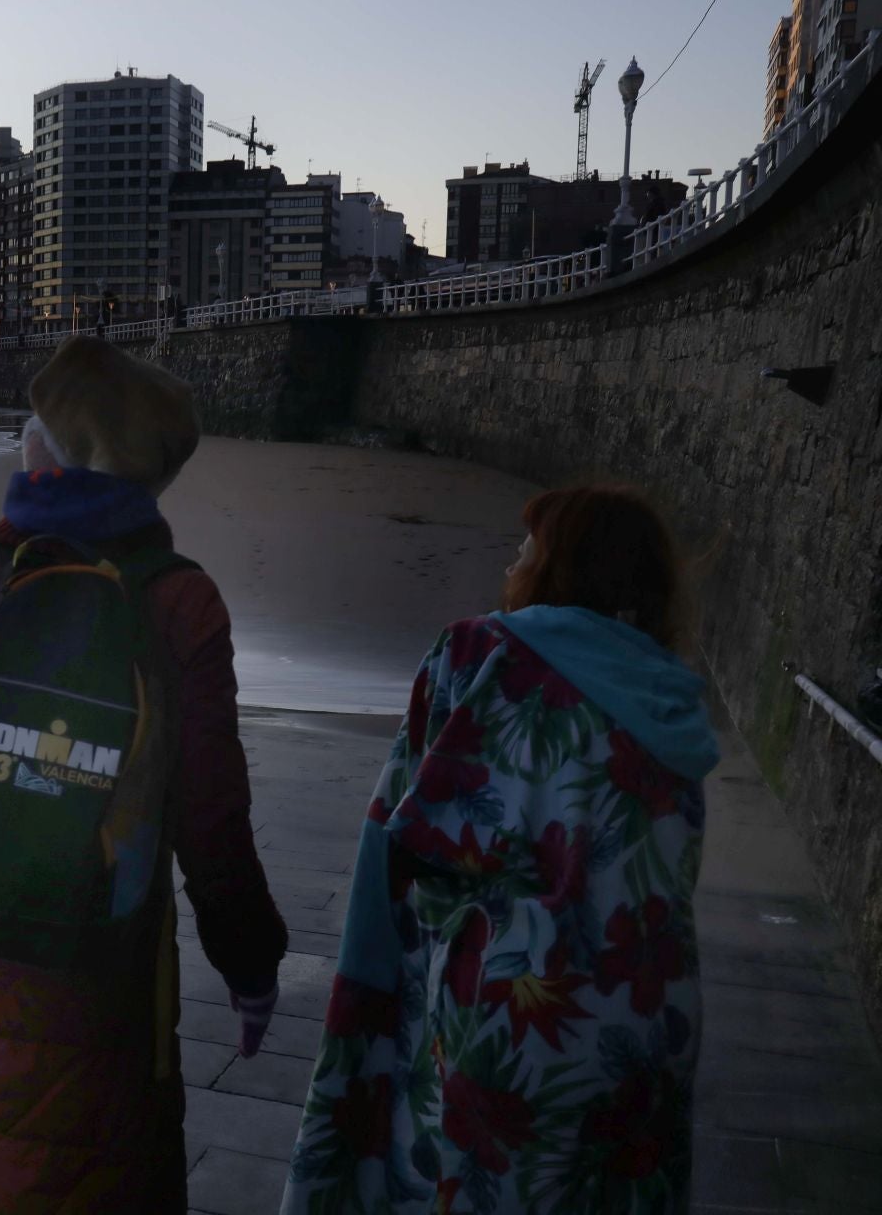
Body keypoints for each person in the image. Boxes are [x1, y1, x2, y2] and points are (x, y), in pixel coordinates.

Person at [0, 336, 289, 1213]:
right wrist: (251, 963)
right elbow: (211, 818)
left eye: (34, 424)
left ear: (53, 453)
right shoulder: (179, 600)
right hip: (95, 984)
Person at [281, 485, 719, 1215]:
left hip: (517, 1008)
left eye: (526, 548)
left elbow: (397, 839)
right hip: (652, 1013)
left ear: (558, 567)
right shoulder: (673, 700)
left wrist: (367, 993)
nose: (512, 563)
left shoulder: (479, 655)